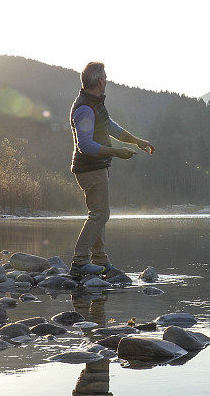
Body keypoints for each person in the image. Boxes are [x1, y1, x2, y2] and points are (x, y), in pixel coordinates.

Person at [68, 61, 154, 277]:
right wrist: (117, 152)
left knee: (98, 213)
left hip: (95, 168)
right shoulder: (85, 108)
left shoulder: (95, 104)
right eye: (105, 77)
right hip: (89, 169)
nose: (107, 80)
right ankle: (79, 262)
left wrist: (136, 141)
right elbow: (85, 145)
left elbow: (111, 127)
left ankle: (100, 261)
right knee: (100, 214)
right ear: (100, 81)